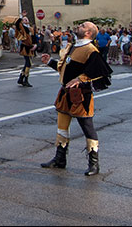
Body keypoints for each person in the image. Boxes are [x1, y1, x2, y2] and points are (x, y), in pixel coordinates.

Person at [40, 21, 112, 176]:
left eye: (83, 26)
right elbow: (67, 69)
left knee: (87, 128)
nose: (79, 26)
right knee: (61, 128)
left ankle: (94, 164)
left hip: (81, 96)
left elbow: (101, 71)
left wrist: (80, 80)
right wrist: (50, 62)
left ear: (88, 33)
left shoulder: (91, 50)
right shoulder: (73, 46)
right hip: (65, 93)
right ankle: (60, 159)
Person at [15, 14, 37, 87]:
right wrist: (21, 17)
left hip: (30, 47)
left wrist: (35, 45)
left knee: (27, 64)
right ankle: (25, 80)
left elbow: (34, 37)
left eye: (27, 19)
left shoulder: (31, 28)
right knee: (28, 63)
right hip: (25, 47)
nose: (26, 20)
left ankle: (21, 78)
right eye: (24, 19)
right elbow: (17, 24)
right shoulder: (22, 28)